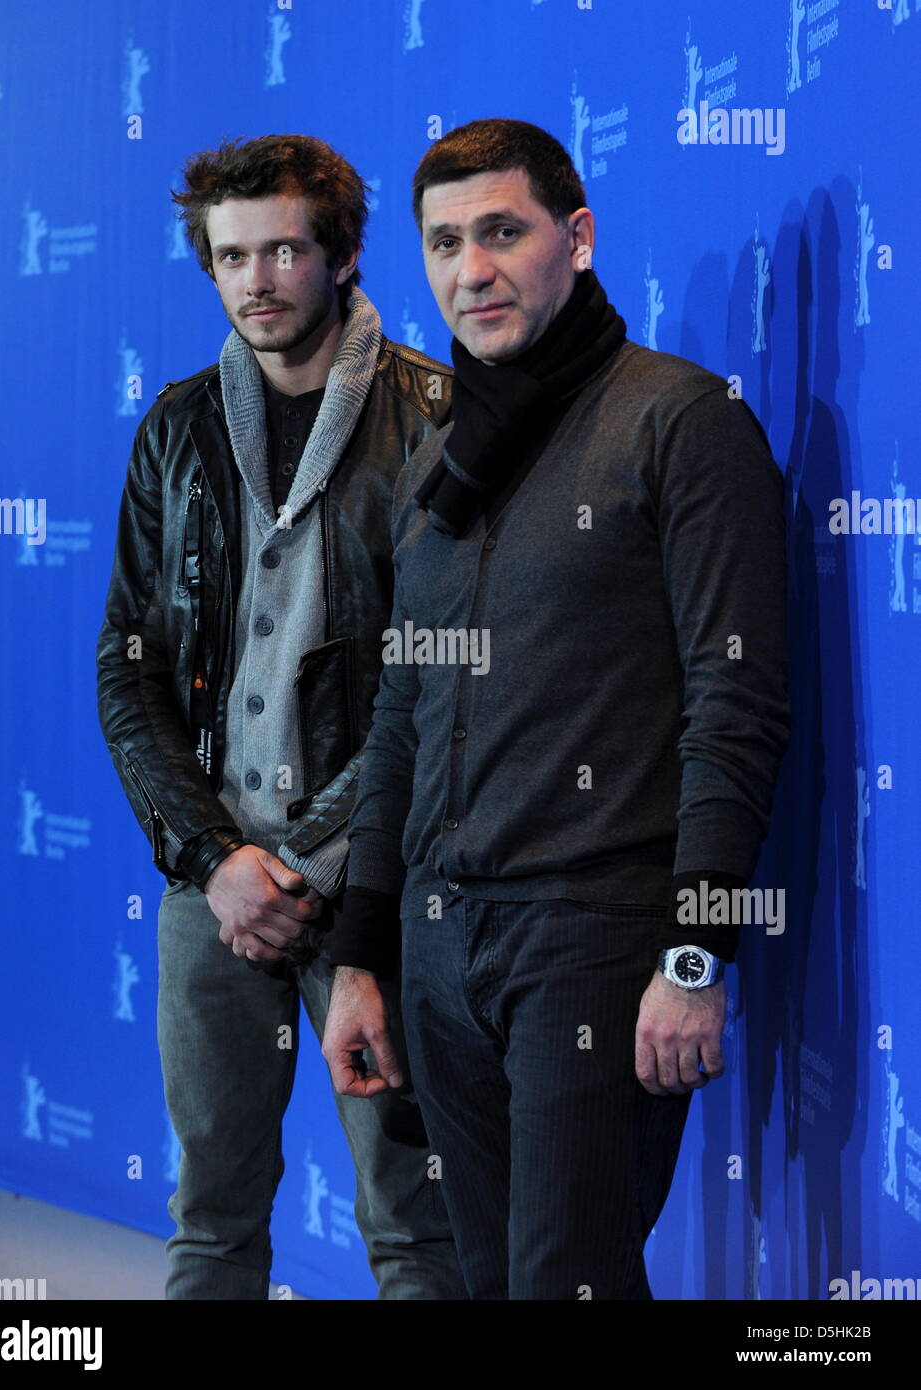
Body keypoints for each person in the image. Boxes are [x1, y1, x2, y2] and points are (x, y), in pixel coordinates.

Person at [320, 118, 791, 1300]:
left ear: (575, 239)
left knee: (561, 1284)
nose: (468, 270)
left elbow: (735, 703)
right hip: (438, 949)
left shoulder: (680, 423)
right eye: (441, 243)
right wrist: (361, 958)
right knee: (486, 1284)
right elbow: (398, 725)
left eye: (500, 232)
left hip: (592, 937)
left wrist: (695, 953)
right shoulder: (438, 463)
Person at [96, 133, 464, 1300]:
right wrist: (214, 859)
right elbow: (129, 670)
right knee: (210, 1214)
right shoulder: (175, 429)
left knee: (413, 1226)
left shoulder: (440, 420)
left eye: (282, 251)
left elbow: (443, 682)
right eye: (230, 255)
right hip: (213, 890)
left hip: (379, 891)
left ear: (344, 253)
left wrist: (301, 866)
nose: (254, 279)